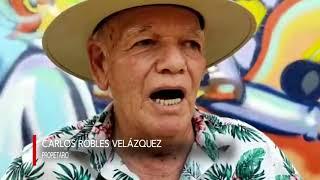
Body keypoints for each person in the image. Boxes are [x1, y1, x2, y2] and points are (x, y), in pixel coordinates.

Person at [2, 0, 301, 179]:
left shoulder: (255, 157)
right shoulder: (47, 165)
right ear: (100, 64)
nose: (175, 63)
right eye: (145, 43)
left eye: (191, 45)